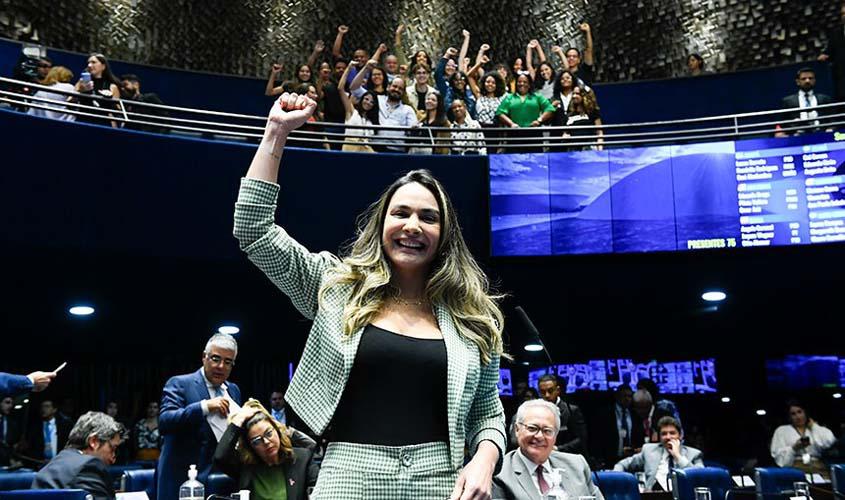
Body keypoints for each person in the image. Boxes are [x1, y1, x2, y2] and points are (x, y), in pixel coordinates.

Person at [233, 92, 506, 499]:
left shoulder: (473, 317)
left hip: (440, 482)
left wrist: (484, 459)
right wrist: (275, 133)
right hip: (347, 477)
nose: (412, 225)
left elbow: (487, 410)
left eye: (428, 217)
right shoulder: (335, 287)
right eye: (401, 213)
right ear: (381, 225)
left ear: (445, 235)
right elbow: (253, 229)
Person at [156, 333, 243, 500]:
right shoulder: (179, 383)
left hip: (219, 480)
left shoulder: (233, 390)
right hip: (182, 479)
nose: (220, 366)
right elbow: (165, 421)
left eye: (227, 362)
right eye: (215, 359)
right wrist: (204, 407)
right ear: (204, 357)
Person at [493, 400, 603, 500]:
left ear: (555, 436)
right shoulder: (499, 473)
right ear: (517, 429)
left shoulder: (577, 465)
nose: (539, 436)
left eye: (547, 431)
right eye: (532, 428)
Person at [213, 401, 319, 500]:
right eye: (257, 441)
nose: (266, 442)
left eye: (269, 433)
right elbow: (220, 457)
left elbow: (318, 492)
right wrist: (239, 419)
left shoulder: (303, 458)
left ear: (277, 430)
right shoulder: (245, 466)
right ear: (250, 446)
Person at [32, 411, 123, 500]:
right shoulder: (88, 467)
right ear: (94, 441)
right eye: (113, 448)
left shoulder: (52, 464)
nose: (113, 459)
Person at [613, 416, 703, 492]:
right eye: (664, 434)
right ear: (659, 437)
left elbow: (700, 478)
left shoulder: (694, 454)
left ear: (680, 435)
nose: (668, 437)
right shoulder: (649, 450)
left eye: (672, 433)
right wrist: (617, 481)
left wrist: (678, 456)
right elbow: (622, 465)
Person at [770, 400, 836, 478]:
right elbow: (778, 457)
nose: (798, 417)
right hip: (795, 468)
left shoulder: (815, 428)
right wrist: (794, 448)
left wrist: (813, 426)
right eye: (793, 414)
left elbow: (830, 442)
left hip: (817, 466)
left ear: (805, 413)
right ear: (789, 417)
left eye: (800, 412)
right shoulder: (782, 430)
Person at [496, 73, 555, 152]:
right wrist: (511, 124)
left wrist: (539, 120)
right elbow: (500, 113)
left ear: (529, 84)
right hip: (514, 134)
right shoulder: (510, 97)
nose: (522, 84)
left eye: (525, 82)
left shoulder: (537, 97)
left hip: (534, 133)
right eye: (519, 82)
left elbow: (550, 109)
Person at [536, 374, 588, 456]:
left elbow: (581, 439)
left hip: (567, 456)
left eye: (550, 391)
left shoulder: (571, 410)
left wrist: (558, 449)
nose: (547, 395)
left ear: (557, 390)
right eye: (543, 392)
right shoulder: (535, 412)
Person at [591, 385, 636, 469]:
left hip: (630, 459)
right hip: (609, 460)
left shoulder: (634, 415)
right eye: (624, 396)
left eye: (629, 396)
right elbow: (598, 437)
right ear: (617, 396)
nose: (627, 399)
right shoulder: (605, 414)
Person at [338, 60, 379, 153]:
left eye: (372, 102)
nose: (368, 103)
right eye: (366, 99)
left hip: (366, 151)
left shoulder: (371, 120)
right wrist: (349, 68)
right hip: (350, 149)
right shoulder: (352, 112)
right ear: (362, 99)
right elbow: (340, 88)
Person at [778, 68, 833, 136]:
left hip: (821, 134)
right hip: (798, 136)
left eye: (810, 78)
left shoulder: (824, 99)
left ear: (814, 80)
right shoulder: (788, 101)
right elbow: (783, 124)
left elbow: (833, 120)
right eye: (803, 79)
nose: (807, 81)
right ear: (798, 81)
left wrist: (830, 130)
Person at [74, 53, 121, 128]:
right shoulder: (81, 82)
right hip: (83, 121)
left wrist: (110, 100)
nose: (89, 65)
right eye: (88, 63)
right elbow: (70, 102)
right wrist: (80, 91)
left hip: (102, 124)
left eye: (93, 62)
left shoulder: (112, 86)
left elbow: (118, 111)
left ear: (103, 66)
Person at [375, 77, 417, 152]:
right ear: (388, 87)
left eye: (400, 88)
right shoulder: (377, 100)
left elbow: (413, 129)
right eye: (394, 86)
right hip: (375, 147)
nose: (397, 89)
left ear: (403, 92)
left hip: (396, 150)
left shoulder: (408, 109)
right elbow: (356, 90)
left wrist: (414, 128)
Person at [818, 3, 845, 101]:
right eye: (842, 14)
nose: (844, 16)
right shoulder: (836, 33)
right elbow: (830, 52)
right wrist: (825, 55)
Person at [0, 396, 21, 466]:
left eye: (12, 403)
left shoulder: (13, 423)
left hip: (6, 463)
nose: (10, 406)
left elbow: (11, 446)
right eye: (7, 402)